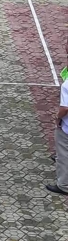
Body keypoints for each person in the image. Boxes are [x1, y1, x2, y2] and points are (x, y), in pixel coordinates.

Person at [49, 46, 68, 195]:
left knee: (63, 155)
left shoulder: (67, 85)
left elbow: (65, 108)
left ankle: (63, 185)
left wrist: (57, 118)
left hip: (67, 127)